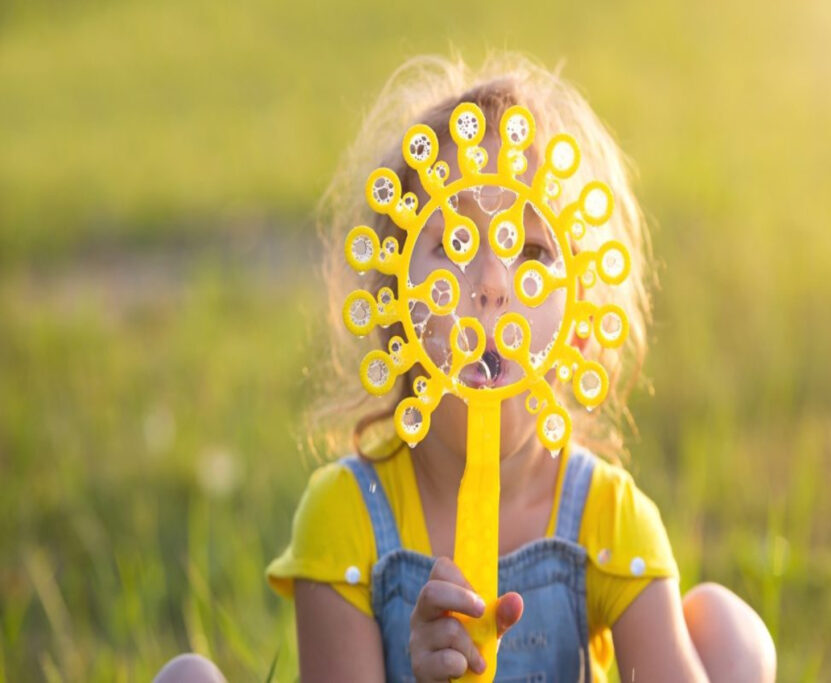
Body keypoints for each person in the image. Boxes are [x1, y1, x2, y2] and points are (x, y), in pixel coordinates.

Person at [157, 52, 776, 683]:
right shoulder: (346, 517)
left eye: (531, 249)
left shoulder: (610, 519)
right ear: (396, 305)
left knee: (728, 633)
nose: (490, 284)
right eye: (455, 242)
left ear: (584, 318)